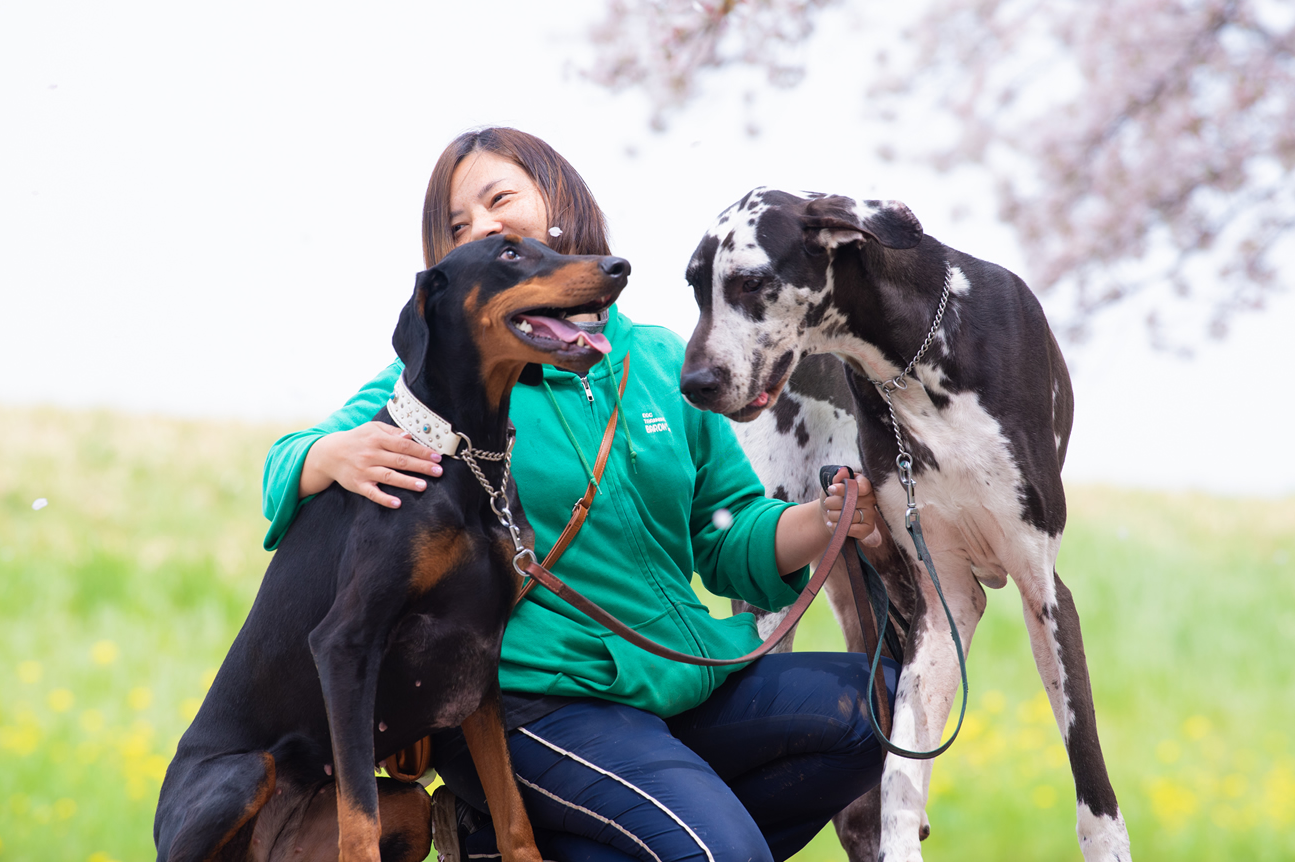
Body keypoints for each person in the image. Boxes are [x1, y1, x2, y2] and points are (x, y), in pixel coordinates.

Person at [262, 127, 897, 862]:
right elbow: (285, 465)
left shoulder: (659, 358)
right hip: (539, 706)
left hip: (683, 681)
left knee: (880, 706)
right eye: (459, 227)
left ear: (557, 200)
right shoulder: (444, 382)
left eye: (500, 199)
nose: (484, 226)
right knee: (719, 853)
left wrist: (827, 519)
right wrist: (329, 453)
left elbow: (727, 535)